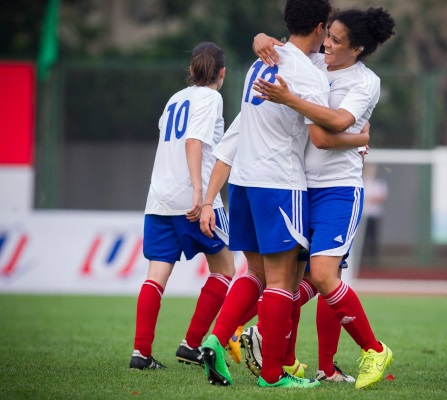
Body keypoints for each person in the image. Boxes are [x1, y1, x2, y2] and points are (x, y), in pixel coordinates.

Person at [251, 6, 395, 389]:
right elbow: (272, 45)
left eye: (336, 40)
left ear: (358, 49)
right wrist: (261, 39)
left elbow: (327, 133)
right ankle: (293, 363)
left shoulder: (366, 83)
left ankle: (374, 350)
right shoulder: (313, 60)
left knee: (324, 276)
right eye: (327, 35)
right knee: (296, 279)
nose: (327, 44)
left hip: (337, 189)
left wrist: (289, 99)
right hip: (297, 186)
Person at [200, 0, 338, 389]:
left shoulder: (260, 62)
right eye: (326, 31)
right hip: (280, 183)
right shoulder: (308, 76)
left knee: (255, 274)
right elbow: (320, 135)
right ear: (319, 27)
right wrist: (358, 137)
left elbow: (237, 136)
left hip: (243, 182)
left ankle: (214, 339)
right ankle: (274, 376)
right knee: (281, 283)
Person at [128, 42, 237, 370]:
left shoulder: (175, 98)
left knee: (155, 277)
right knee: (225, 270)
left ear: (191, 71)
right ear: (222, 73)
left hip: (159, 198)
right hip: (195, 199)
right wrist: (200, 194)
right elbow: (193, 142)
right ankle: (191, 344)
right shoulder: (212, 97)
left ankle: (141, 354)